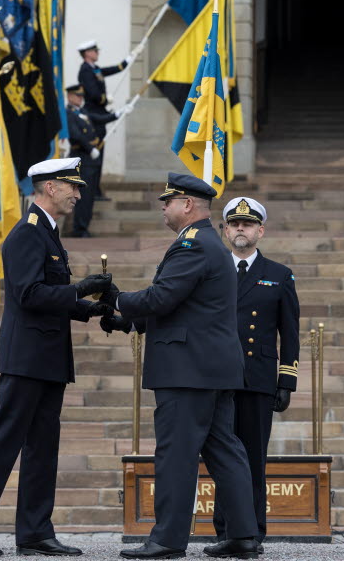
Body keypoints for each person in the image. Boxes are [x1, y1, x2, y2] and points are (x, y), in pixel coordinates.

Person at [0, 159, 113, 558]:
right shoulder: (27, 234)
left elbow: (50, 298)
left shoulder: (48, 234)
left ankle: (35, 531)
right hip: (27, 357)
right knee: (3, 441)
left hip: (47, 357)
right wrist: (82, 287)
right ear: (50, 188)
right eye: (72, 187)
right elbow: (29, 295)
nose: (78, 193)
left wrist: (94, 310)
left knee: (42, 445)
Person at [101, 173, 259, 560]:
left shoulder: (193, 244)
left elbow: (162, 296)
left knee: (176, 453)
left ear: (187, 204)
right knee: (224, 450)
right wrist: (129, 319)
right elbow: (183, 305)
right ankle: (242, 536)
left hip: (188, 370)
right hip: (210, 366)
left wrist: (118, 300)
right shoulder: (204, 242)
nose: (163, 207)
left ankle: (168, 539)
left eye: (168, 201)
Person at [210, 197, 299, 553]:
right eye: (234, 224)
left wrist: (286, 380)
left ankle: (252, 533)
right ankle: (225, 531)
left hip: (257, 379)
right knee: (220, 458)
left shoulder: (278, 274)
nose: (240, 229)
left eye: (248, 224)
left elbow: (289, 332)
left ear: (260, 231)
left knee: (252, 457)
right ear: (225, 230)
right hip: (216, 378)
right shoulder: (213, 270)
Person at [64, 84, 132, 238]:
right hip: (81, 158)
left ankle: (84, 226)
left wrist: (118, 113)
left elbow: (99, 119)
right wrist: (90, 149)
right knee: (83, 196)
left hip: (91, 160)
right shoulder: (68, 114)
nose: (80, 99)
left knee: (90, 196)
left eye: (81, 96)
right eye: (77, 96)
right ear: (69, 96)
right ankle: (79, 228)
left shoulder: (82, 112)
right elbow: (76, 135)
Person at [77, 40, 140, 201]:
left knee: (100, 154)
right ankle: (92, 190)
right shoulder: (85, 70)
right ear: (87, 53)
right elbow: (92, 93)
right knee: (96, 154)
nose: (97, 52)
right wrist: (105, 100)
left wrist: (128, 60)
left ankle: (95, 189)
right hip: (94, 115)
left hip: (99, 113)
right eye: (94, 51)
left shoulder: (94, 68)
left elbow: (111, 70)